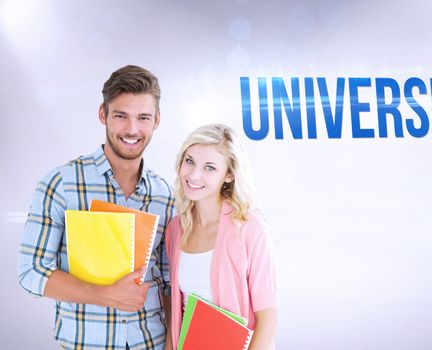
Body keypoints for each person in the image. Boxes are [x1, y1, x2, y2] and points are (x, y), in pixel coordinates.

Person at [18, 65, 176, 350]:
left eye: (143, 117)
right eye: (120, 116)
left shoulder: (165, 195)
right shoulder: (61, 184)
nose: (132, 129)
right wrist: (105, 295)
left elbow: (168, 283)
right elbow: (31, 272)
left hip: (151, 343)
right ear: (103, 114)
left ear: (157, 121)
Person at [164, 124, 278, 350]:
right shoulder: (176, 229)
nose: (194, 175)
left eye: (209, 167)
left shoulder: (250, 229)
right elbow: (177, 315)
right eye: (190, 161)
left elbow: (268, 320)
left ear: (229, 175)